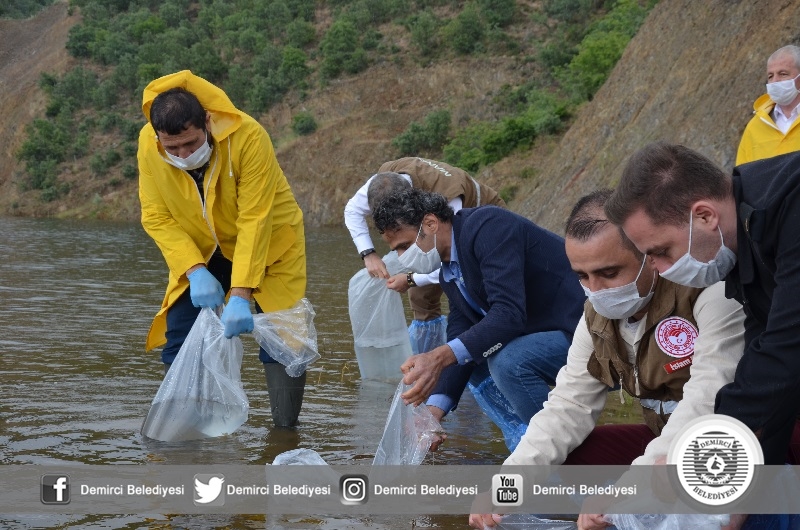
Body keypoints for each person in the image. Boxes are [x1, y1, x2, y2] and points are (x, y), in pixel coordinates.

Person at [469, 189, 745, 530]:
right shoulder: (596, 314)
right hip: (661, 442)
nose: (596, 290)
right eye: (582, 277)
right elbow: (567, 406)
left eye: (610, 273)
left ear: (649, 255)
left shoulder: (711, 292)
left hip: (738, 441)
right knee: (572, 458)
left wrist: (631, 486)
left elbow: (708, 400)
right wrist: (506, 487)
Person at [604, 141, 800, 466]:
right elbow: (763, 368)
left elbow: (786, 349)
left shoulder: (791, 202)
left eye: (662, 251)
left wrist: (699, 449)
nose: (660, 270)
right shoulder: (741, 242)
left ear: (705, 215)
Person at [137, 70, 307, 428]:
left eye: (191, 143)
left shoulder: (248, 136)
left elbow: (256, 218)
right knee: (181, 333)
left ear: (208, 122)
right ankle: (184, 433)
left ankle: (285, 432)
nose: (183, 153)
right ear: (158, 137)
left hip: (271, 243)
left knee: (284, 338)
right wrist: (195, 271)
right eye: (173, 148)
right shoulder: (148, 146)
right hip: (198, 248)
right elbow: (155, 215)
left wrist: (242, 293)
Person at [371, 187, 585, 430]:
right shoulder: (449, 270)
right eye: (396, 250)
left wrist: (438, 358)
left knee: (508, 362)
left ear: (430, 223)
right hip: (552, 334)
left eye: (405, 245)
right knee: (467, 352)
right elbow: (462, 331)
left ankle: (561, 448)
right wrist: (433, 412)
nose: (402, 258)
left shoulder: (489, 226)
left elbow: (509, 314)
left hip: (589, 331)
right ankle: (532, 437)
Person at [344, 157, 505, 355]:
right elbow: (352, 211)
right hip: (428, 225)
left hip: (484, 217)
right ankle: (427, 361)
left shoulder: (450, 199)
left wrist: (411, 278)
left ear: (409, 205)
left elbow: (452, 262)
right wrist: (369, 254)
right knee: (421, 298)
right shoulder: (381, 183)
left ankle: (480, 356)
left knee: (469, 290)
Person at [736, 45, 800, 165]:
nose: (775, 81)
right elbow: (742, 177)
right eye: (770, 76)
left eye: (783, 74)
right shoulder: (754, 128)